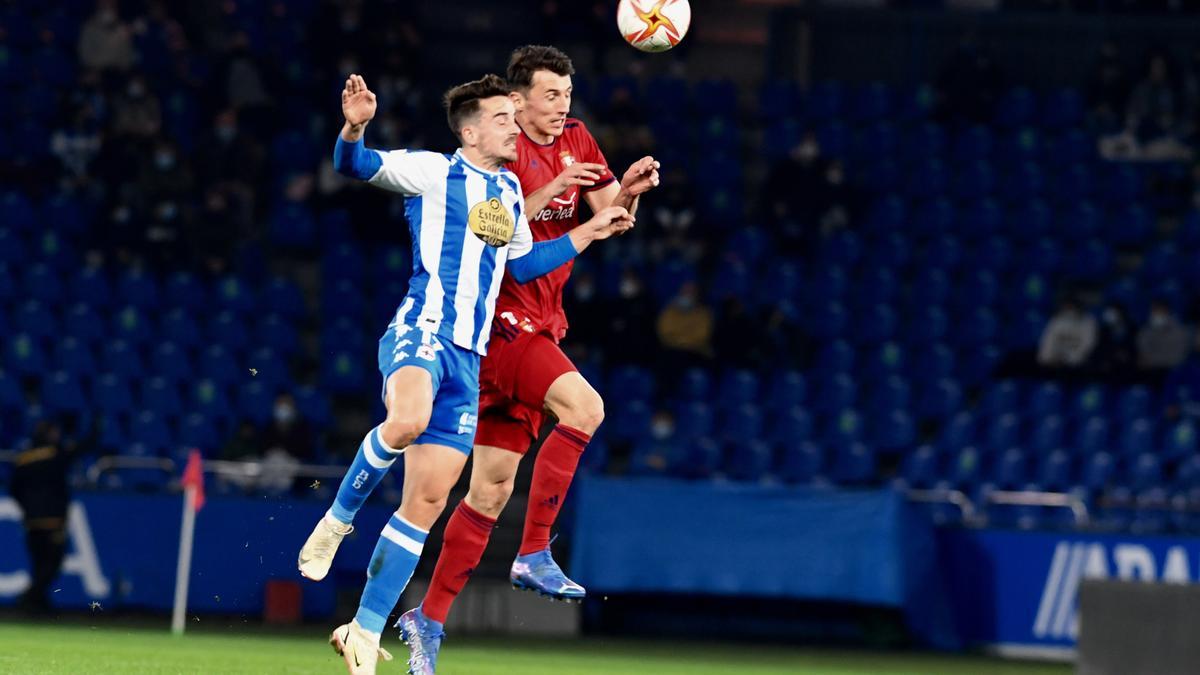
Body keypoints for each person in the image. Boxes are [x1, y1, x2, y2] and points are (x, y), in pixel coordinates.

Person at [298, 72, 633, 674]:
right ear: (471, 130)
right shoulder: (432, 171)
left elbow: (527, 264)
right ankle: (337, 520)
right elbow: (355, 164)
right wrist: (354, 126)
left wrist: (588, 229)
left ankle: (365, 633)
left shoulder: (505, 192)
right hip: (421, 333)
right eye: (504, 119)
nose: (514, 128)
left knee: (425, 502)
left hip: (469, 359)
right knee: (405, 422)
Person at [397, 46, 659, 674]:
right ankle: (534, 551)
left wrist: (627, 192)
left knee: (489, 492)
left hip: (540, 326)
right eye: (549, 97)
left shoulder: (578, 139)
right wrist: (555, 188)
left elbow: (610, 222)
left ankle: (426, 623)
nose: (560, 109)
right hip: (498, 323)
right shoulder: (499, 152)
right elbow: (502, 238)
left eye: (567, 97)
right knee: (585, 407)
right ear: (515, 100)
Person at [11, 419, 73, 615]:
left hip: (31, 520)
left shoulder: (24, 459)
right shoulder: (55, 455)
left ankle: (39, 603)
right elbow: (78, 451)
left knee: (38, 563)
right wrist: (96, 430)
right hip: (52, 519)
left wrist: (27, 507)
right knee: (53, 562)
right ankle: (30, 596)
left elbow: (14, 488)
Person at [1037, 298, 1098, 372]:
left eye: (1072, 307)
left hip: (1077, 367)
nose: (1070, 310)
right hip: (1053, 365)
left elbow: (1087, 346)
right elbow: (1047, 344)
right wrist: (1048, 358)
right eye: (1068, 307)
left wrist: (1068, 359)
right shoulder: (1056, 320)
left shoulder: (1089, 322)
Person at [1137, 299, 1191, 373]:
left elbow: (1178, 357)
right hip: (1151, 371)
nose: (1157, 315)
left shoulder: (1179, 330)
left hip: (1173, 371)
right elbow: (1143, 353)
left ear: (1167, 313)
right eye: (1154, 312)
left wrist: (1154, 361)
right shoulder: (1145, 330)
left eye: (1160, 312)